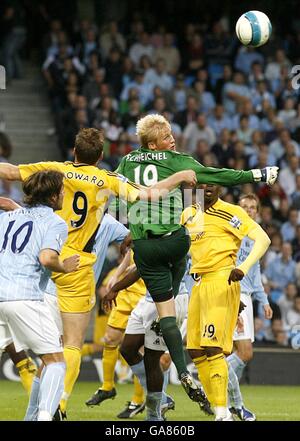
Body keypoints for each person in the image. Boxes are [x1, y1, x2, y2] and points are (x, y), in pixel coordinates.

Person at [0, 127, 197, 416]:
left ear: (74, 152)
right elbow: (149, 195)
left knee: (48, 350)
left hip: (46, 260)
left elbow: (10, 172)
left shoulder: (57, 169)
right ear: (101, 156)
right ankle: (58, 405)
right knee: (71, 346)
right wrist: (179, 176)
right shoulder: (108, 179)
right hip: (77, 268)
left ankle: (37, 411)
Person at [114, 114, 278, 408]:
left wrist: (128, 224)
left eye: (171, 134)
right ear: (153, 144)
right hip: (179, 252)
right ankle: (212, 397)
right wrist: (257, 175)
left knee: (168, 323)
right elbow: (217, 175)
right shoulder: (178, 164)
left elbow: (115, 191)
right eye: (166, 137)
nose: (172, 140)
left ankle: (186, 384)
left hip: (149, 249)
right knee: (182, 257)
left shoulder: (126, 162)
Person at [181, 183, 271, 421]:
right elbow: (180, 249)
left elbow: (263, 239)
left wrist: (242, 267)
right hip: (197, 285)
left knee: (215, 348)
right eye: (203, 184)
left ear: (220, 188)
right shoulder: (188, 214)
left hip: (224, 279)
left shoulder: (232, 212)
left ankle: (224, 412)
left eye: (213, 183)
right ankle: (219, 406)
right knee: (194, 349)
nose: (207, 187)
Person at [0, 170, 79, 421]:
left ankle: (30, 417)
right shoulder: (55, 222)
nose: (65, 193)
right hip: (24, 297)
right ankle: (45, 417)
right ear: (54, 196)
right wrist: (64, 266)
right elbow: (47, 258)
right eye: (63, 190)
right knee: (55, 361)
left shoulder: (7, 218)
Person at [227, 193, 273, 421]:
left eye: (253, 207)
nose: (248, 210)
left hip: (245, 297)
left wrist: (263, 301)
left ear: (257, 211)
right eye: (244, 206)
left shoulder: (257, 238)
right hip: (232, 294)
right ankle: (226, 395)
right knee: (244, 353)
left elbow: (256, 274)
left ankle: (222, 394)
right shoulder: (231, 232)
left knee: (241, 354)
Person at [85, 250, 147, 418]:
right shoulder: (138, 231)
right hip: (125, 295)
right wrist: (117, 274)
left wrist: (136, 266)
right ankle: (107, 387)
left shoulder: (163, 232)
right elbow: (131, 253)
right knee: (110, 339)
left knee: (139, 350)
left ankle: (138, 399)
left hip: (145, 297)